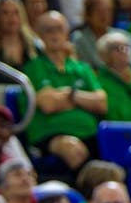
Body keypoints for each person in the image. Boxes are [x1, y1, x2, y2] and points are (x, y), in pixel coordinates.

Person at [25, 11, 107, 175]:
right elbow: (48, 104)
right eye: (49, 30)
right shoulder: (34, 67)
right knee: (73, 149)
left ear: (67, 33)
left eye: (59, 29)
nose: (55, 34)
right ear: (39, 35)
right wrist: (83, 101)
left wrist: (70, 95)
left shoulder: (82, 68)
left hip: (90, 132)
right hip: (50, 134)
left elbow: (102, 103)